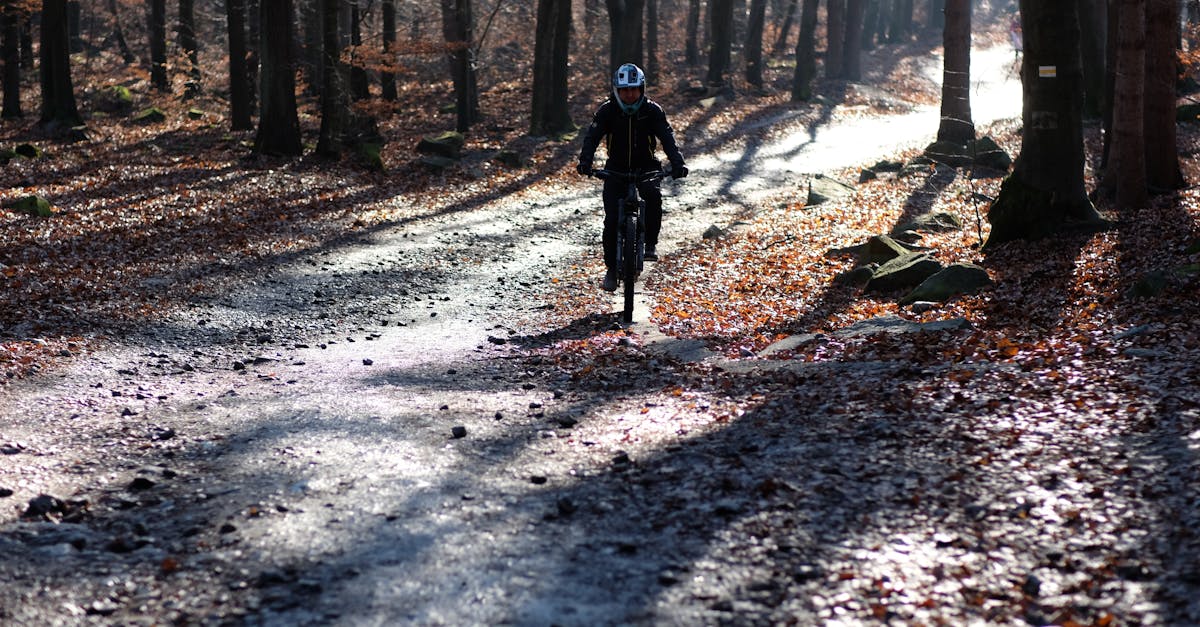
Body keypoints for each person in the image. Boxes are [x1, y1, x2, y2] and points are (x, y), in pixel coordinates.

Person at [577, 63, 687, 292]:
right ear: (616, 90)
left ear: (642, 88)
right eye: (624, 90)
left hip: (646, 166)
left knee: (653, 197)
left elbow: (667, 138)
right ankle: (610, 269)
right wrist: (585, 162)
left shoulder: (652, 110)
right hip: (615, 168)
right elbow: (592, 137)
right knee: (611, 220)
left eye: (634, 89)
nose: (629, 94)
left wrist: (677, 163)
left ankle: (650, 244)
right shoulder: (607, 111)